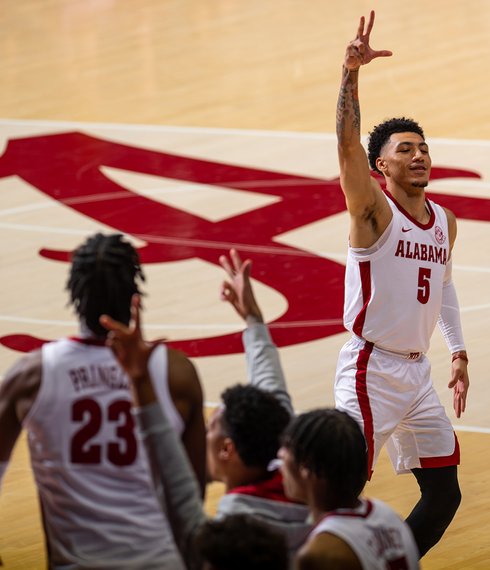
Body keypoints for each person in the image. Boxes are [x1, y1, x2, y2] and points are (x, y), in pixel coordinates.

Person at [332, 11, 467, 556]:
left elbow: (443, 285)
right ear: (379, 166)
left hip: (418, 374)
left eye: (423, 147)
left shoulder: (445, 221)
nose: (418, 155)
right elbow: (344, 147)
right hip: (371, 369)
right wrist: (350, 73)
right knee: (340, 488)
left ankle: (389, 563)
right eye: (404, 149)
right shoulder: (372, 211)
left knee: (444, 494)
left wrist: (458, 349)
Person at [0, 233, 205, 568]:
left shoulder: (30, 377)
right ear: (135, 293)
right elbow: (192, 491)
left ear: (73, 293)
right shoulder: (176, 373)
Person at [102, 249, 309, 566]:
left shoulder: (233, 526)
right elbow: (274, 392)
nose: (204, 431)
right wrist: (253, 319)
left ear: (229, 450)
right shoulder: (297, 477)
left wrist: (140, 383)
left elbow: (179, 487)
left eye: (211, 427)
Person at [279, 408, 421, 570]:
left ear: (307, 469)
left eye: (284, 456)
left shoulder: (320, 553)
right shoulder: (389, 515)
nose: (279, 463)